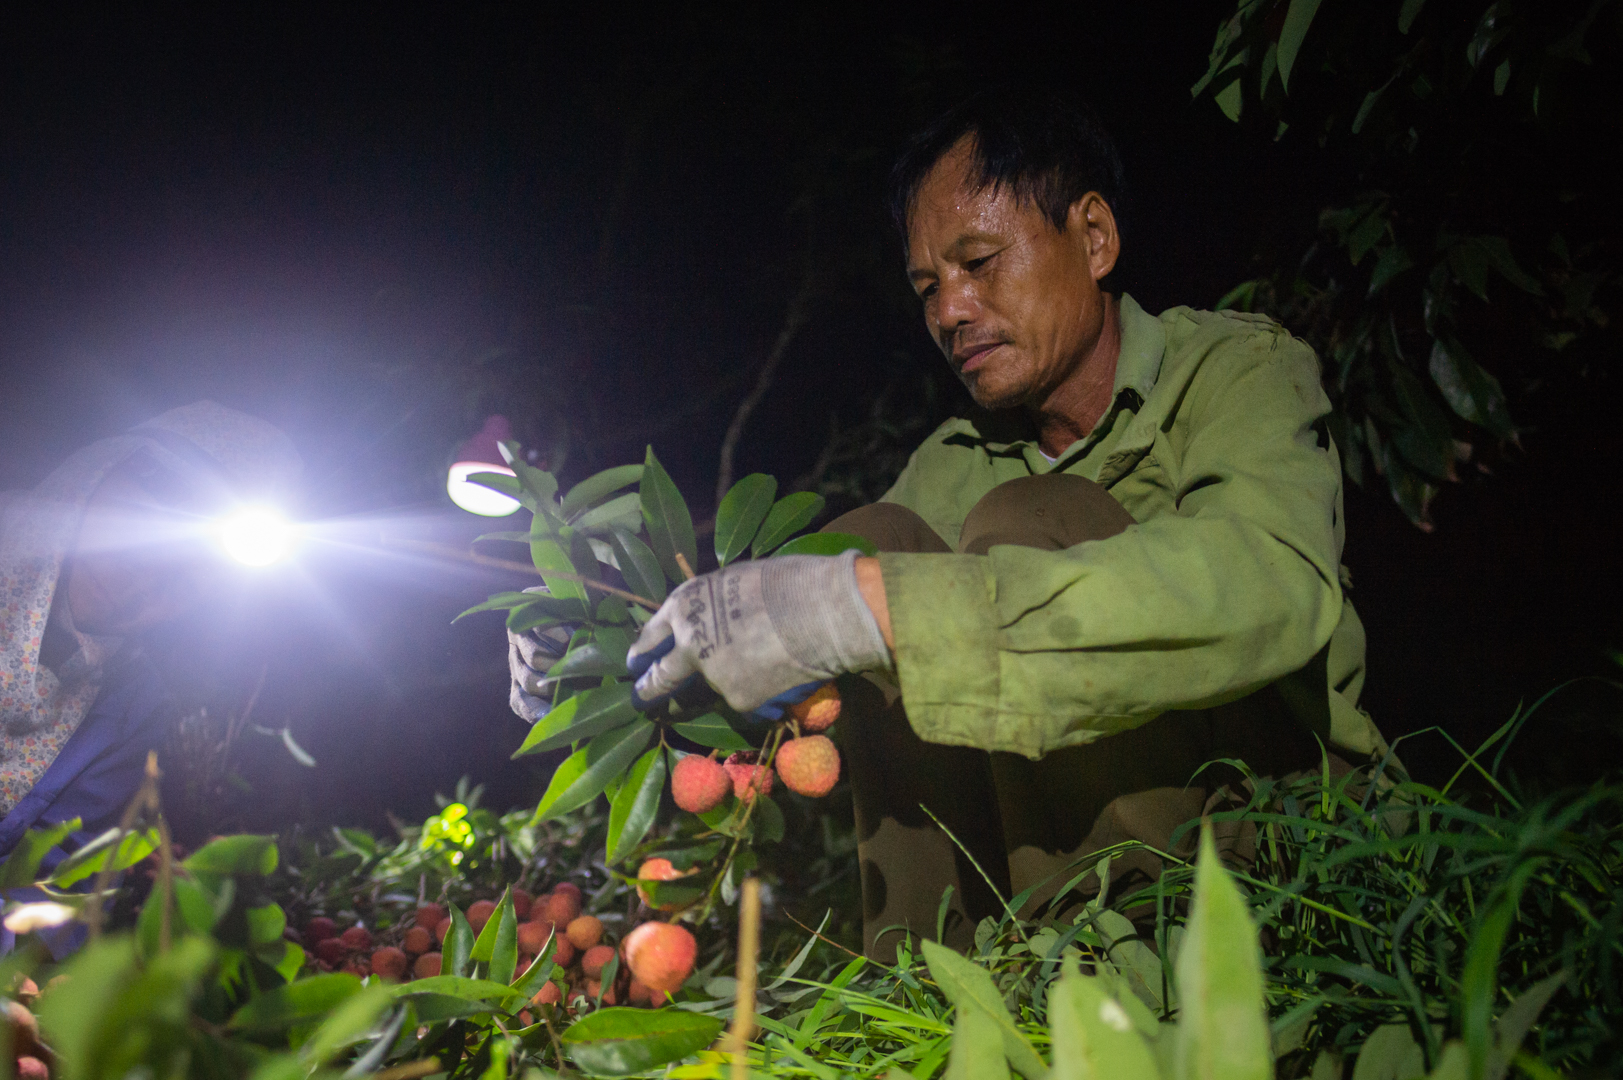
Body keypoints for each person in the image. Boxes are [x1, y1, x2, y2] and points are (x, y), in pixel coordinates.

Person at [512, 90, 1386, 958]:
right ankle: (935, 981)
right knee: (876, 544)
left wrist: (873, 606)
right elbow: (806, 671)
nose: (949, 311)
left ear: (1093, 238)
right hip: (1024, 896)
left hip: (1276, 840)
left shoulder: (1235, 370)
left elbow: (1271, 580)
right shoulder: (953, 459)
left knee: (999, 534)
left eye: (979, 261)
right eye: (929, 285)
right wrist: (620, 656)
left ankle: (1133, 971)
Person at [0, 401, 300, 953]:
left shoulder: (131, 705)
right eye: (146, 535)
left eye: (191, 570)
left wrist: (29, 968)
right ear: (91, 481)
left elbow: (63, 883)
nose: (149, 581)